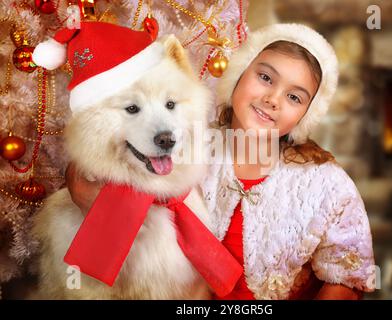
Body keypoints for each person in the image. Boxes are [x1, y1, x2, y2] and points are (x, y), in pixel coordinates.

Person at [66, 23, 375, 300]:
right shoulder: (187, 144)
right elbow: (101, 163)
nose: (273, 99)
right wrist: (79, 185)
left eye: (295, 97)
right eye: (265, 77)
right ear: (239, 75)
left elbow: (346, 278)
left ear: (305, 115)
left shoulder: (327, 184)